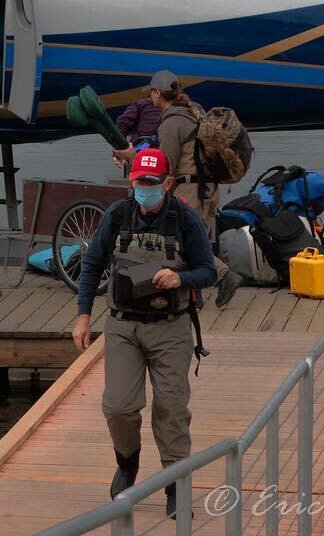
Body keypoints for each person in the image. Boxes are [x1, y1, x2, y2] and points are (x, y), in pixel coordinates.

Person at [72, 147, 216, 519]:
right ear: (131, 181)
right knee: (119, 406)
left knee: (170, 409)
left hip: (171, 327)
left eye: (153, 183)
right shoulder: (117, 216)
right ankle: (127, 463)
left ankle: (175, 486)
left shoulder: (185, 219)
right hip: (122, 326)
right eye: (140, 182)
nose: (146, 188)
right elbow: (90, 265)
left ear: (167, 183)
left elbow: (208, 271)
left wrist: (181, 277)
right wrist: (83, 315)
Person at [114, 71, 242, 307]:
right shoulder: (191, 111)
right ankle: (197, 296)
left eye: (151, 93)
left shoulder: (172, 122)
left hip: (190, 190)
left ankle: (224, 275)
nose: (150, 97)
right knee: (194, 242)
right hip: (206, 189)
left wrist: (134, 158)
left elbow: (166, 165)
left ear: (156, 94)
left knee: (188, 243)